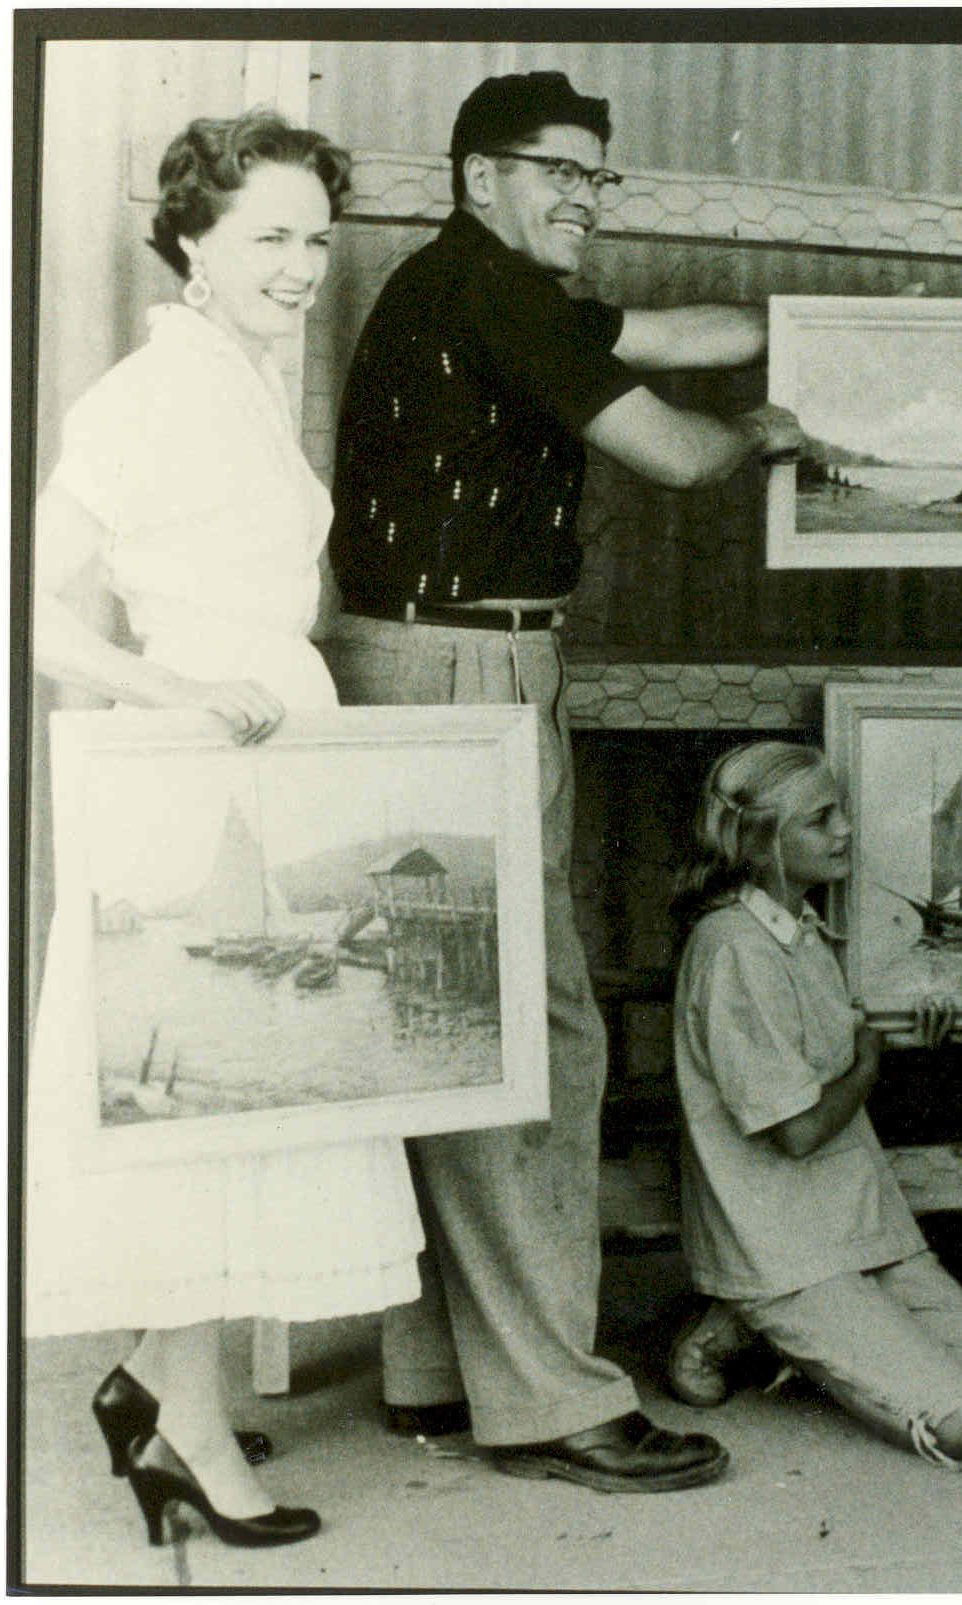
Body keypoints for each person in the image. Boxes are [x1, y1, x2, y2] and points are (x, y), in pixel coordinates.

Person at [318, 71, 800, 1495]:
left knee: (434, 1023)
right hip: (461, 675)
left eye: (597, 178)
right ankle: (548, 1401)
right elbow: (669, 443)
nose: (579, 200)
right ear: (479, 177)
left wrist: (825, 329)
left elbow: (676, 331)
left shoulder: (485, 286)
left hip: (420, 664)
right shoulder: (495, 290)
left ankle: (435, 1371)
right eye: (553, 174)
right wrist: (758, 435)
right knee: (530, 1037)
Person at [26, 111, 426, 1548]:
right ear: (190, 239)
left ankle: (152, 1383)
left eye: (317, 238)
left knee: (250, 1095)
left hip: (264, 756)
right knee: (198, 1098)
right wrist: (181, 688)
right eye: (269, 236)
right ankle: (183, 1430)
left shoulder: (238, 380)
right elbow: (31, 594)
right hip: (188, 775)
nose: (302, 266)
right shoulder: (150, 395)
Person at [663, 741, 962, 1467]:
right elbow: (798, 1130)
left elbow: (843, 1036)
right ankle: (748, 1316)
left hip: (854, 1219)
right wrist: (870, 1061)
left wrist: (918, 1031)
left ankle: (805, 1323)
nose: (845, 831)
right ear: (759, 840)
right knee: (958, 1423)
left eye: (842, 813)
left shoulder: (800, 931)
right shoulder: (733, 948)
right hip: (778, 1242)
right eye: (821, 819)